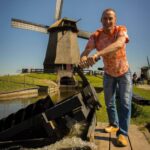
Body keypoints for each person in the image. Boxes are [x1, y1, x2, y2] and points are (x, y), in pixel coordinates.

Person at [79, 8, 132, 147]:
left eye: (110, 18)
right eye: (105, 18)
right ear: (100, 20)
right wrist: (84, 59)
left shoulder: (121, 29)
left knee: (125, 102)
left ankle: (122, 134)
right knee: (109, 102)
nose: (107, 21)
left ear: (115, 20)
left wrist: (97, 55)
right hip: (108, 73)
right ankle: (114, 124)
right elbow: (85, 52)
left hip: (124, 72)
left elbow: (119, 44)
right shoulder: (96, 35)